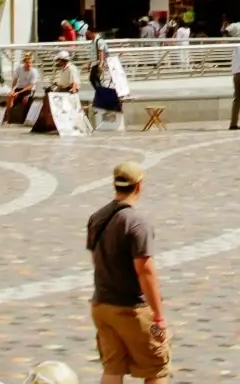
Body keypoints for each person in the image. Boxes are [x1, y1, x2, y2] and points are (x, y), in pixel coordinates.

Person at [88, 162, 170, 384]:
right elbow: (145, 271)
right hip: (131, 309)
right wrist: (159, 316)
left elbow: (96, 259)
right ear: (139, 186)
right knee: (156, 369)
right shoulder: (137, 223)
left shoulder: (97, 217)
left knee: (113, 368)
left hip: (102, 305)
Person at [6, 53, 41, 124]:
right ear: (24, 63)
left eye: (30, 63)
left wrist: (19, 93)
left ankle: (24, 119)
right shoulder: (19, 68)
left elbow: (30, 86)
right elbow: (15, 79)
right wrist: (12, 90)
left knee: (26, 99)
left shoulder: (34, 72)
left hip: (28, 90)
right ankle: (8, 118)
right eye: (27, 63)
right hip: (19, 87)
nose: (29, 65)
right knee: (10, 97)